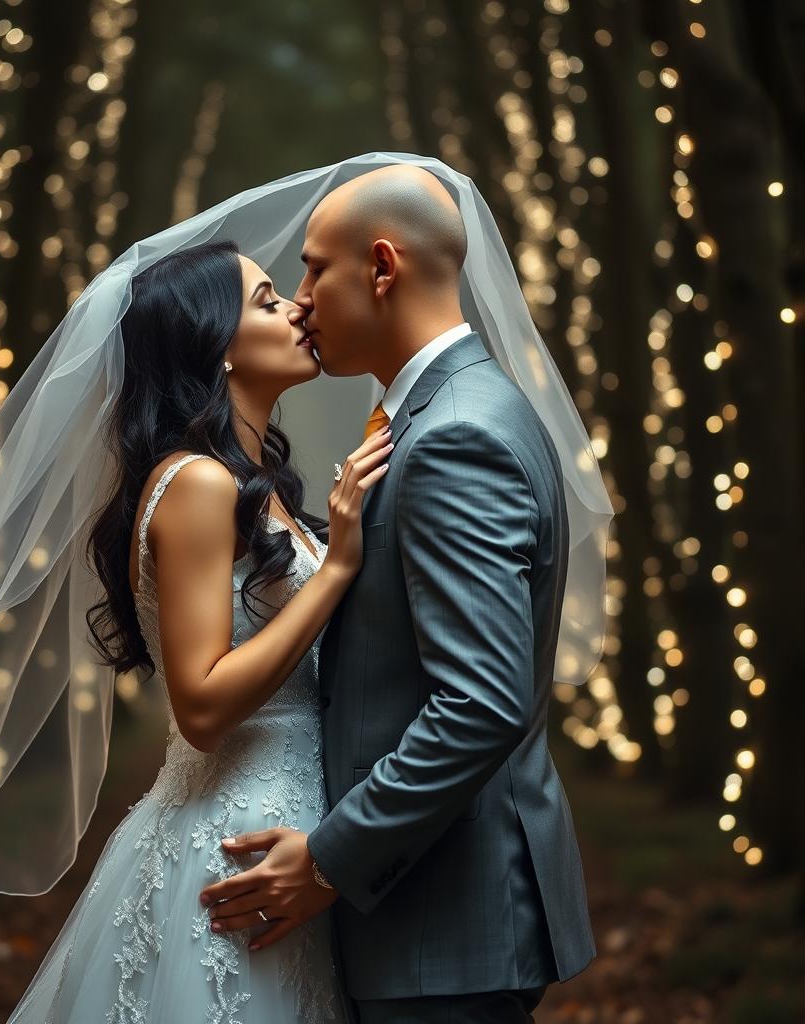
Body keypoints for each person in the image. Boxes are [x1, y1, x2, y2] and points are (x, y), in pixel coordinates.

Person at [199, 165, 597, 1023]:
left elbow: (482, 702)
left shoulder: (456, 437)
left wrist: (329, 860)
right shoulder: (439, 414)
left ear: (382, 268)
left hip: (446, 927)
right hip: (428, 920)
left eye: (314, 269)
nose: (301, 300)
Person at [4, 238, 385, 1022]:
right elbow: (204, 709)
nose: (297, 309)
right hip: (235, 833)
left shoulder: (257, 487)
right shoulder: (199, 483)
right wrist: (339, 569)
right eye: (267, 299)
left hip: (288, 823)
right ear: (215, 347)